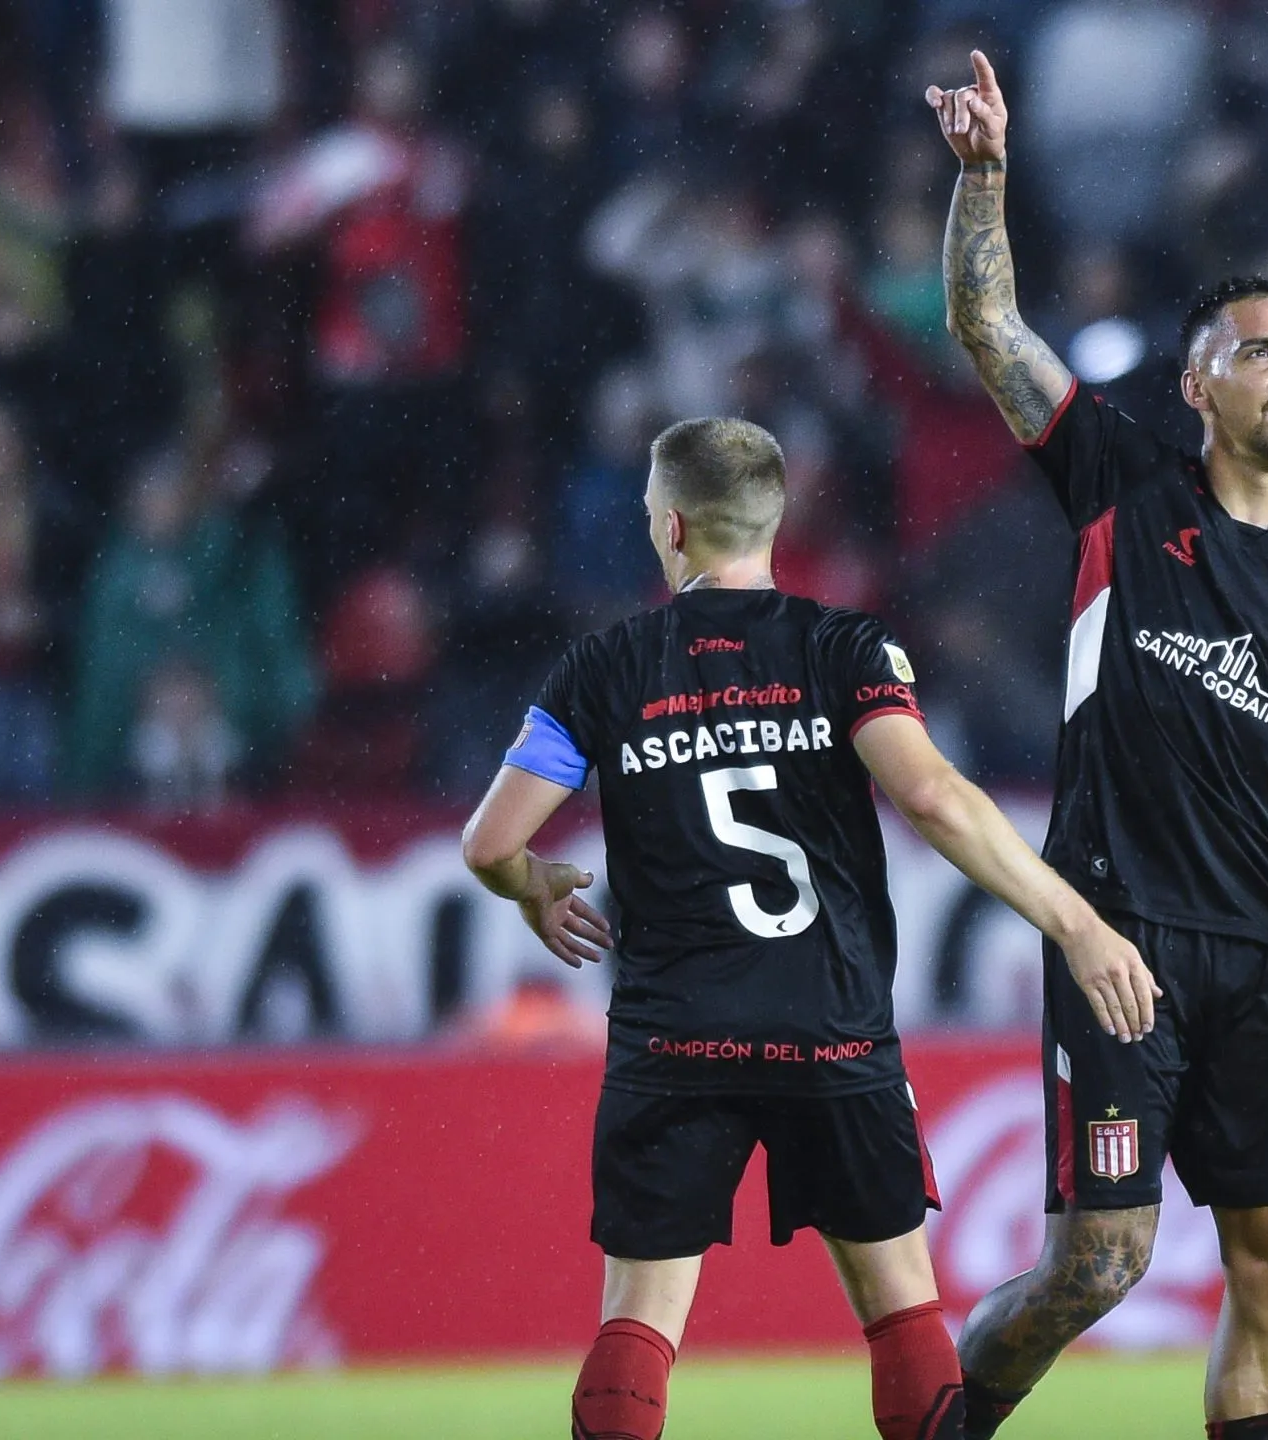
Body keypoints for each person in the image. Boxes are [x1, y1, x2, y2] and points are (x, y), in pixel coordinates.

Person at [926, 51, 1268, 1440]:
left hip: (1262, 948)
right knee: (1099, 1266)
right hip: (1117, 931)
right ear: (1195, 387)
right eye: (1259, 350)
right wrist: (983, 181)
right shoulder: (1119, 481)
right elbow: (990, 327)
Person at [457, 417, 1155, 1440]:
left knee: (638, 1325)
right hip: (829, 1023)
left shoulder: (603, 668)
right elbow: (932, 799)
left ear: (671, 527)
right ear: (774, 523)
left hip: (673, 1035)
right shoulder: (846, 649)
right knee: (902, 1315)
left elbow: (486, 843)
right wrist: (1076, 923)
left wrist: (530, 885)